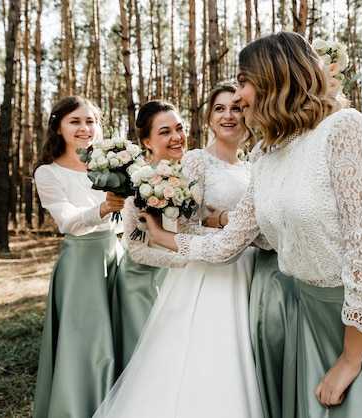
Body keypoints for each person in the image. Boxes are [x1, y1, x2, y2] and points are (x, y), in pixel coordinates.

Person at [139, 32, 362, 417]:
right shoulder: (266, 152)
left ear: (274, 78)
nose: (238, 97)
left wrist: (350, 358)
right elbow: (230, 244)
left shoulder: (343, 129)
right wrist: (162, 236)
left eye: (244, 81)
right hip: (306, 320)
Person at [93, 83, 263, 418]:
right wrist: (220, 228)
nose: (229, 115)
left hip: (251, 268)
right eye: (219, 109)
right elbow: (180, 230)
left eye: (236, 108)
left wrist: (231, 225)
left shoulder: (250, 166)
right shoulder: (196, 162)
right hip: (210, 271)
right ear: (210, 119)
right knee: (207, 360)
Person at [32, 95, 125, 418]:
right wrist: (103, 208)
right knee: (86, 342)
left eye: (90, 121)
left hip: (117, 256)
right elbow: (67, 222)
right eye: (75, 121)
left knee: (119, 332)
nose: (85, 128)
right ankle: (78, 407)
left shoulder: (112, 164)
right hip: (80, 264)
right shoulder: (48, 174)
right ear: (58, 127)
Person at [110, 100, 184, 377]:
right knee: (150, 365)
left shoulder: (190, 174)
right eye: (165, 132)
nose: (176, 137)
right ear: (147, 142)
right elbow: (137, 250)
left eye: (179, 128)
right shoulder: (136, 186)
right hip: (143, 283)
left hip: (180, 274)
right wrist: (187, 260)